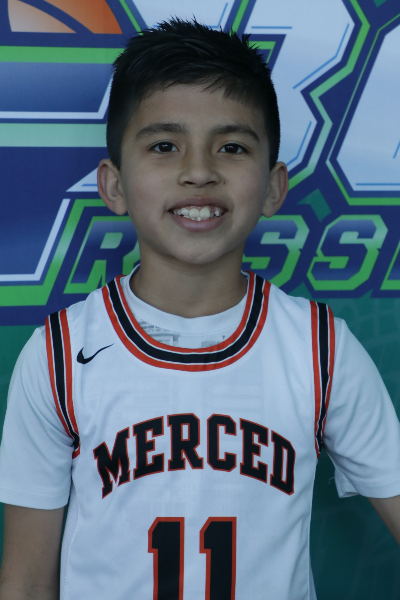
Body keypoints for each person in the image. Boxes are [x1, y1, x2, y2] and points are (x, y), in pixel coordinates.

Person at [0, 18, 399, 600]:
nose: (198, 171)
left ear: (273, 187)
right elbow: (27, 581)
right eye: (164, 146)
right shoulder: (61, 355)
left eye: (232, 147)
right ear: (113, 185)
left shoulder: (319, 348)